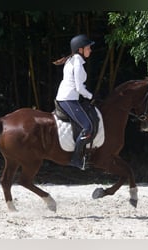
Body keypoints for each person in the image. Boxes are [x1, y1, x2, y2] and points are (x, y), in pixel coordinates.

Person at [54, 34, 95, 170]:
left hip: (69, 97)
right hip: (68, 99)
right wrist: (90, 96)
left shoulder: (73, 60)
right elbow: (78, 87)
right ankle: (76, 159)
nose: (90, 50)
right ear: (80, 50)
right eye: (88, 48)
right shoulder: (76, 61)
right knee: (87, 127)